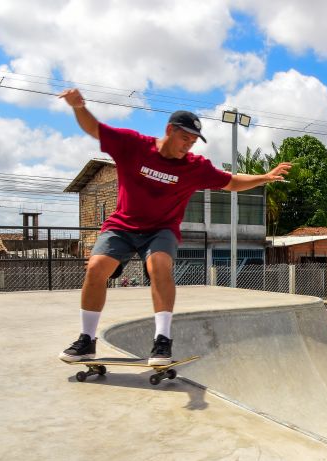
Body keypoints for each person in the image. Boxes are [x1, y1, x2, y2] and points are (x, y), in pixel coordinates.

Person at [57, 88, 291, 365]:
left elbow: (231, 182)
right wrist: (78, 106)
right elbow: (96, 129)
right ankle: (86, 340)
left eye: (192, 142)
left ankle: (162, 340)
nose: (187, 146)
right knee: (96, 269)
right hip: (122, 225)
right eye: (184, 139)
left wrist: (265, 177)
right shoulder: (133, 145)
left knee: (159, 267)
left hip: (161, 230)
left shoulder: (196, 167)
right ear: (169, 130)